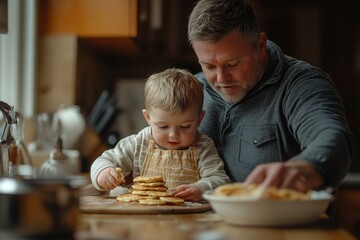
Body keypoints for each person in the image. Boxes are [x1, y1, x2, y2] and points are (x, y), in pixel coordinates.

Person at [187, 0, 354, 193]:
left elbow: (333, 136)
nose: (221, 78)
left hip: (282, 221)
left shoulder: (301, 84)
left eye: (233, 64)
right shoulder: (193, 88)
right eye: (209, 66)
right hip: (197, 223)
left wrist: (305, 168)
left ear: (260, 45)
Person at [90, 68, 230, 201]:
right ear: (148, 118)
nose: (173, 135)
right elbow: (104, 160)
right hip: (145, 216)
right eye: (163, 126)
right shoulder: (139, 143)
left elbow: (219, 179)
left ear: (199, 119)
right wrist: (104, 173)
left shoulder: (203, 147)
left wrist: (200, 189)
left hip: (190, 218)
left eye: (185, 126)